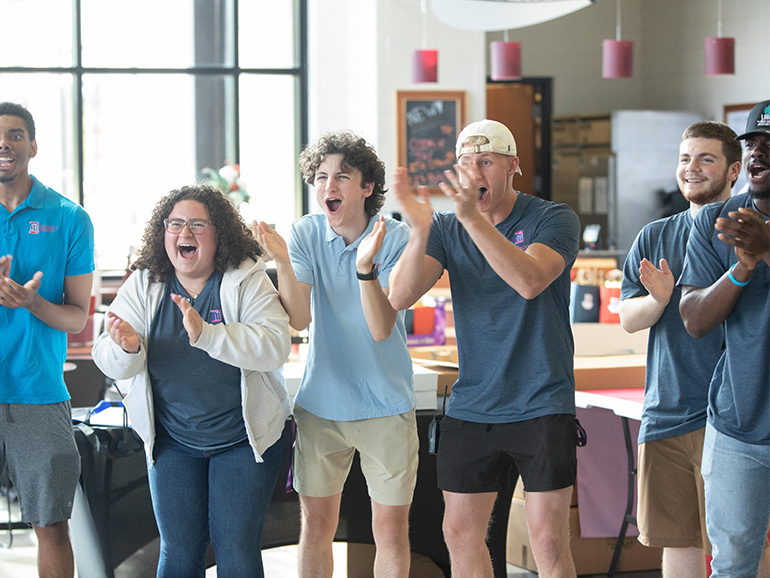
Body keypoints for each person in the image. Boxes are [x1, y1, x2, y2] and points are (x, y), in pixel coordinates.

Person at [389, 119, 580, 578]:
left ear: (512, 166)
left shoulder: (553, 218)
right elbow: (398, 296)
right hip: (474, 403)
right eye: (466, 163)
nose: (475, 174)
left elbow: (530, 281)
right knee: (458, 533)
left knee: (549, 539)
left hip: (542, 398)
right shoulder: (446, 227)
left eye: (487, 162)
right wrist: (418, 229)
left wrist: (472, 220)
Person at [92, 184, 291, 578]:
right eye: (175, 224)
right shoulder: (145, 284)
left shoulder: (245, 278)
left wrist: (207, 335)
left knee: (235, 550)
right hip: (173, 443)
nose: (184, 233)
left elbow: (275, 346)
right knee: (179, 552)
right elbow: (107, 355)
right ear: (163, 234)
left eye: (197, 225)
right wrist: (128, 350)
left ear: (219, 234)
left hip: (242, 442)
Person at [253, 131, 417, 577]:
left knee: (390, 531)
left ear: (367, 187)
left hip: (386, 402)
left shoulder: (396, 238)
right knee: (317, 526)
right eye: (321, 176)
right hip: (321, 404)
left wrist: (365, 266)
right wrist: (283, 262)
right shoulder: (306, 232)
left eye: (342, 176)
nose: (329, 186)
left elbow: (381, 327)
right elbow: (300, 319)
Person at [619, 121, 745, 577]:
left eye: (705, 159)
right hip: (666, 412)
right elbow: (628, 319)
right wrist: (658, 300)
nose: (691, 168)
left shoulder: (750, 234)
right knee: (678, 542)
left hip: (735, 419)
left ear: (735, 170)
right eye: (685, 158)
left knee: (740, 546)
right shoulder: (654, 235)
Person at [0, 102, 94, 578]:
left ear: (32, 146)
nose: (4, 145)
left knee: (52, 524)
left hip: (38, 393)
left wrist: (33, 303)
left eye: (15, 136)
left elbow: (78, 318)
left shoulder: (70, 218)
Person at [679, 100, 770, 578]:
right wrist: (742, 266)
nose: (759, 153)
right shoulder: (722, 218)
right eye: (753, 142)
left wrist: (767, 251)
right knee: (732, 567)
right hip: (739, 426)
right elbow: (694, 318)